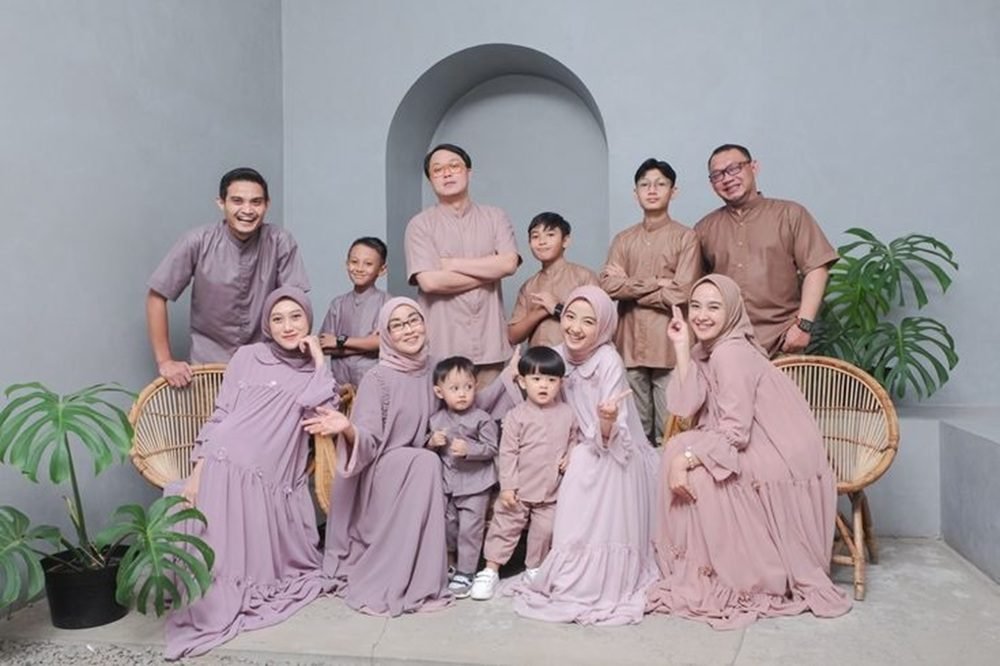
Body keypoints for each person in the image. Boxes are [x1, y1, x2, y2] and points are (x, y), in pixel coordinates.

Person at [645, 274, 852, 629]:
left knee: (697, 470)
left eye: (714, 307)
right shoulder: (709, 349)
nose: (702, 315)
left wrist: (687, 460)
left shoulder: (730, 353)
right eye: (696, 306)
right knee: (678, 445)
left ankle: (737, 573)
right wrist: (681, 347)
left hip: (777, 450)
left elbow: (736, 433)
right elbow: (686, 406)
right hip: (753, 439)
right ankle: (703, 565)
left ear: (731, 311)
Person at [165, 286, 337, 660]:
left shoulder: (315, 371)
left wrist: (320, 359)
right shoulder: (247, 356)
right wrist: (197, 472)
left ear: (308, 320)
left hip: (268, 468)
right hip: (221, 455)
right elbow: (222, 414)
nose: (287, 326)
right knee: (187, 495)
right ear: (267, 325)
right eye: (278, 319)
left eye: (296, 317)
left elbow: (322, 411)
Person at [510, 286, 659, 626]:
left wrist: (605, 421)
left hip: (612, 449)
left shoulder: (608, 360)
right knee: (575, 461)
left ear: (603, 326)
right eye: (571, 317)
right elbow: (534, 399)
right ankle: (564, 570)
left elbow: (616, 433)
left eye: (588, 322)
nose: (575, 328)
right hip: (573, 446)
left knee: (583, 464)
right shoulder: (556, 355)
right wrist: (513, 375)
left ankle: (593, 578)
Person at [306, 297, 452, 616]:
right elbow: (369, 441)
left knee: (426, 462)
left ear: (424, 323)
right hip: (382, 472)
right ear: (386, 334)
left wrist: (508, 381)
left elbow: (464, 406)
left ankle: (423, 577)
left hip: (420, 466)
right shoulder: (378, 378)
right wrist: (348, 428)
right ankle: (403, 578)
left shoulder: (436, 368)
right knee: (425, 463)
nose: (408, 330)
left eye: (413, 320)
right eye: (396, 325)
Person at [147, 167, 310, 387]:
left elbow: (296, 303)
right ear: (221, 203)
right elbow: (157, 296)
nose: (247, 210)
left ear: (267, 205)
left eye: (256, 202)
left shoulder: (280, 241)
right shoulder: (197, 241)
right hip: (208, 365)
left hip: (267, 365)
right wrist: (165, 361)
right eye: (237, 201)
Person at [694, 144, 838, 357]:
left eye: (734, 169)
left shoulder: (790, 214)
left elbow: (817, 268)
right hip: (725, 345)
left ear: (754, 167)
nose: (727, 178)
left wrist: (803, 326)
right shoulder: (704, 228)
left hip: (783, 341)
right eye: (717, 175)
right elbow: (693, 285)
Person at [599, 158, 701, 445]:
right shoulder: (623, 239)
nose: (652, 190)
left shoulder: (686, 237)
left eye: (660, 184)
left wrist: (629, 284)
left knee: (670, 432)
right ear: (636, 193)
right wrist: (658, 282)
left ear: (673, 191)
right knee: (632, 432)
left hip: (669, 347)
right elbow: (607, 285)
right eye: (645, 185)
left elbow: (681, 292)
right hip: (629, 345)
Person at [404, 143, 520, 388]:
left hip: (490, 346)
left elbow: (509, 264)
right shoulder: (420, 225)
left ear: (469, 172)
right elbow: (430, 282)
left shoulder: (495, 217)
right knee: (442, 413)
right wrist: (490, 271)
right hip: (441, 349)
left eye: (454, 166)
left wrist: (452, 264)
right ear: (430, 180)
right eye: (437, 170)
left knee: (494, 412)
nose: (446, 173)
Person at [470, 345, 578, 602]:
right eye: (536, 379)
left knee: (545, 531)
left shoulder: (567, 414)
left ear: (561, 383)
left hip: (551, 491)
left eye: (551, 380)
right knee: (504, 528)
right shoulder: (516, 416)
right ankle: (491, 569)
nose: (544, 386)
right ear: (522, 382)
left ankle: (534, 568)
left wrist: (571, 455)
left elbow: (574, 439)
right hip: (518, 491)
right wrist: (508, 487)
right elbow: (507, 453)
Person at [426, 356, 499, 598]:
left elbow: (492, 448)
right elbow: (428, 449)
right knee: (448, 525)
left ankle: (467, 572)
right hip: (448, 484)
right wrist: (432, 442)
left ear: (475, 386)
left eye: (468, 387)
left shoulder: (482, 419)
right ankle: (450, 564)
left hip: (476, 485)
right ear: (439, 392)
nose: (462, 394)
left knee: (470, 529)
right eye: (454, 388)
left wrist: (470, 449)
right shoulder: (436, 420)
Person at [508, 212, 599, 348]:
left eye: (550, 235)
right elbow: (513, 336)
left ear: (565, 241)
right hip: (537, 359)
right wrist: (540, 312)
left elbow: (600, 323)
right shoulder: (528, 286)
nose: (542, 241)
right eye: (535, 236)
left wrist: (557, 308)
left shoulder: (584, 277)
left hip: (576, 358)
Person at [318, 236, 389, 388]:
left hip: (375, 383)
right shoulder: (338, 304)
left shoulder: (388, 303)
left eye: (368, 264)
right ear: (347, 264)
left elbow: (384, 342)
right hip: (341, 385)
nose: (359, 268)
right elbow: (324, 345)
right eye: (354, 262)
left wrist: (340, 341)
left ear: (382, 269)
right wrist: (366, 345)